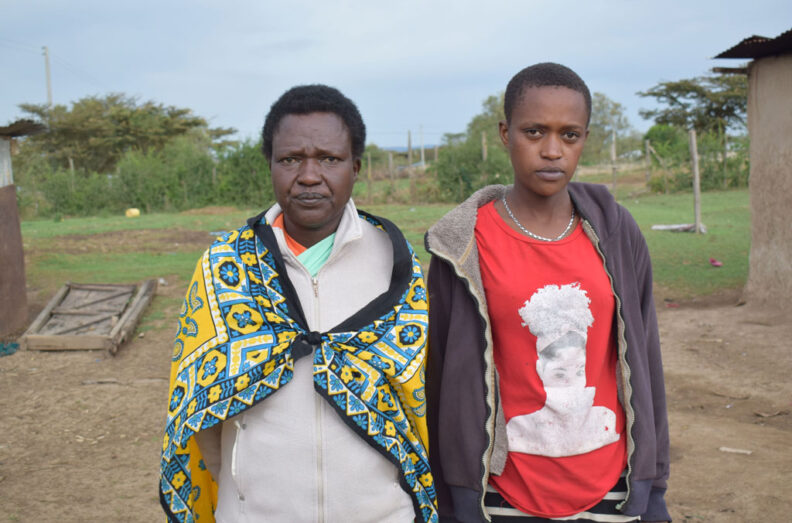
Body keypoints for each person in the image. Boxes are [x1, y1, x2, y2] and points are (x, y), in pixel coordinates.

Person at [160, 85, 438, 523]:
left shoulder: (398, 267)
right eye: (290, 159)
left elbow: (419, 401)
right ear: (270, 165)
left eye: (329, 159)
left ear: (356, 167)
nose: (309, 176)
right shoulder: (225, 268)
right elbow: (199, 414)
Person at [424, 63, 670, 523]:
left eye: (569, 135)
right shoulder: (463, 245)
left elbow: (645, 359)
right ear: (505, 133)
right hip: (498, 494)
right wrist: (453, 493)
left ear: (584, 139)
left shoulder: (617, 234)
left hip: (611, 489)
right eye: (534, 132)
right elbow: (439, 377)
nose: (552, 151)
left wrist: (652, 485)